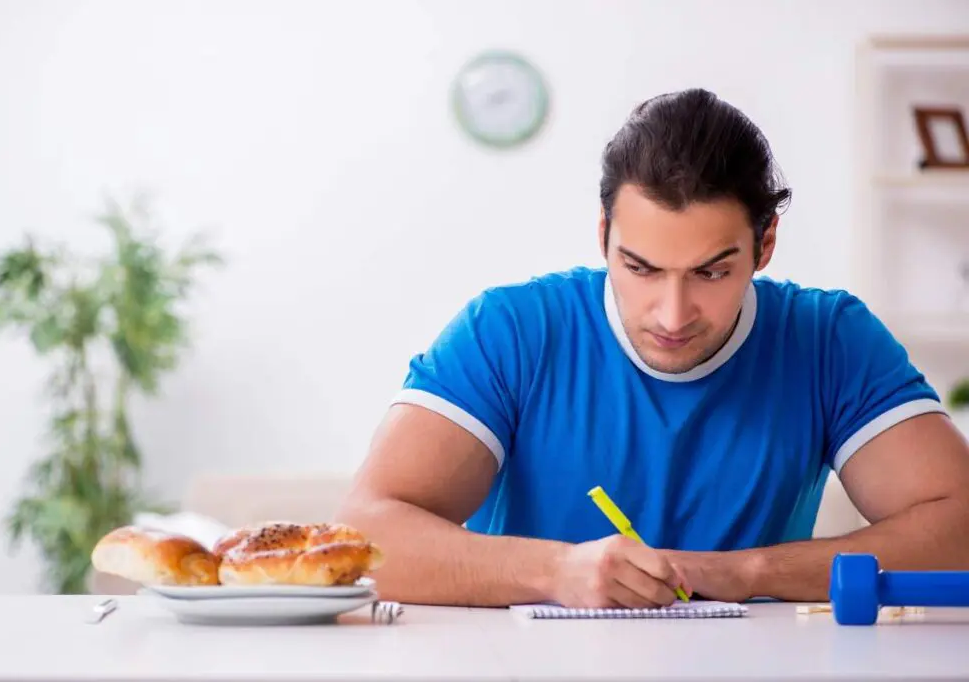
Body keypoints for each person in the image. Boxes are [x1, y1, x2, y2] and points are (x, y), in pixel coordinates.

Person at [334, 88, 969, 608]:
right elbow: (368, 530)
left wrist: (746, 573)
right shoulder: (512, 331)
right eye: (640, 268)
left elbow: (958, 526)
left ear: (765, 245)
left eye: (711, 273)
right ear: (604, 234)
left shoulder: (829, 340)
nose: (672, 314)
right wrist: (556, 571)